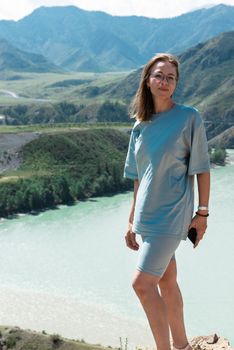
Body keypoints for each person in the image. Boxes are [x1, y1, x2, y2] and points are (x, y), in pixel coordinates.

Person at [123, 53, 210, 350]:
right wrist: (132, 220)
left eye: (170, 78)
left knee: (141, 284)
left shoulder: (189, 118)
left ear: (176, 84)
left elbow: (202, 168)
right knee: (166, 281)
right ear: (147, 81)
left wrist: (202, 214)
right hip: (147, 216)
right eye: (158, 75)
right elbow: (139, 177)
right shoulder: (140, 127)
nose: (164, 82)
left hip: (173, 216)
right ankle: (183, 346)